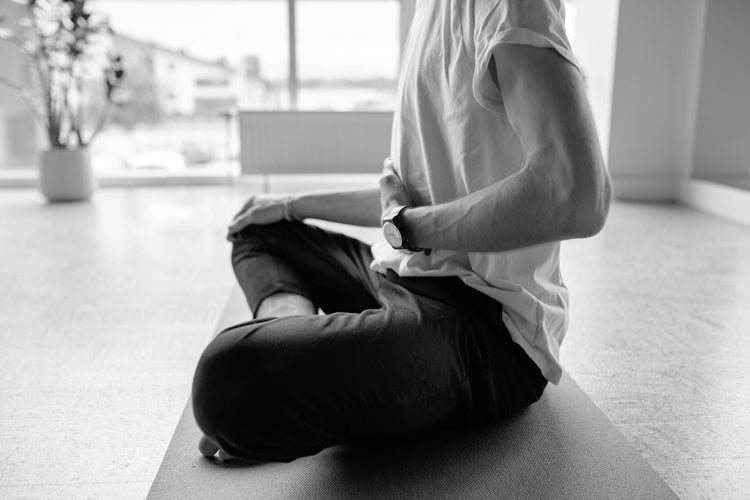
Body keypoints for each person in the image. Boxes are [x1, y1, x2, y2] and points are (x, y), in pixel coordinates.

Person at [193, 0, 612, 462]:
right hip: (401, 275)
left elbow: (574, 196)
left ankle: (295, 358)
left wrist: (405, 228)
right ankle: (293, 332)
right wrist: (291, 204)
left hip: (489, 326)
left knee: (226, 378)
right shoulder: (429, 11)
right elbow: (407, 202)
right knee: (260, 227)